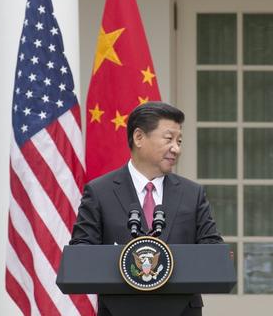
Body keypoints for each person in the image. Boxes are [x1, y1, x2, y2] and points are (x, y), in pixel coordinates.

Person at [70, 101, 223, 315]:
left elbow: (212, 250)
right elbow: (81, 251)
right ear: (139, 137)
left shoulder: (192, 194)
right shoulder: (100, 192)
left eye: (179, 141)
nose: (176, 149)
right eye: (169, 139)